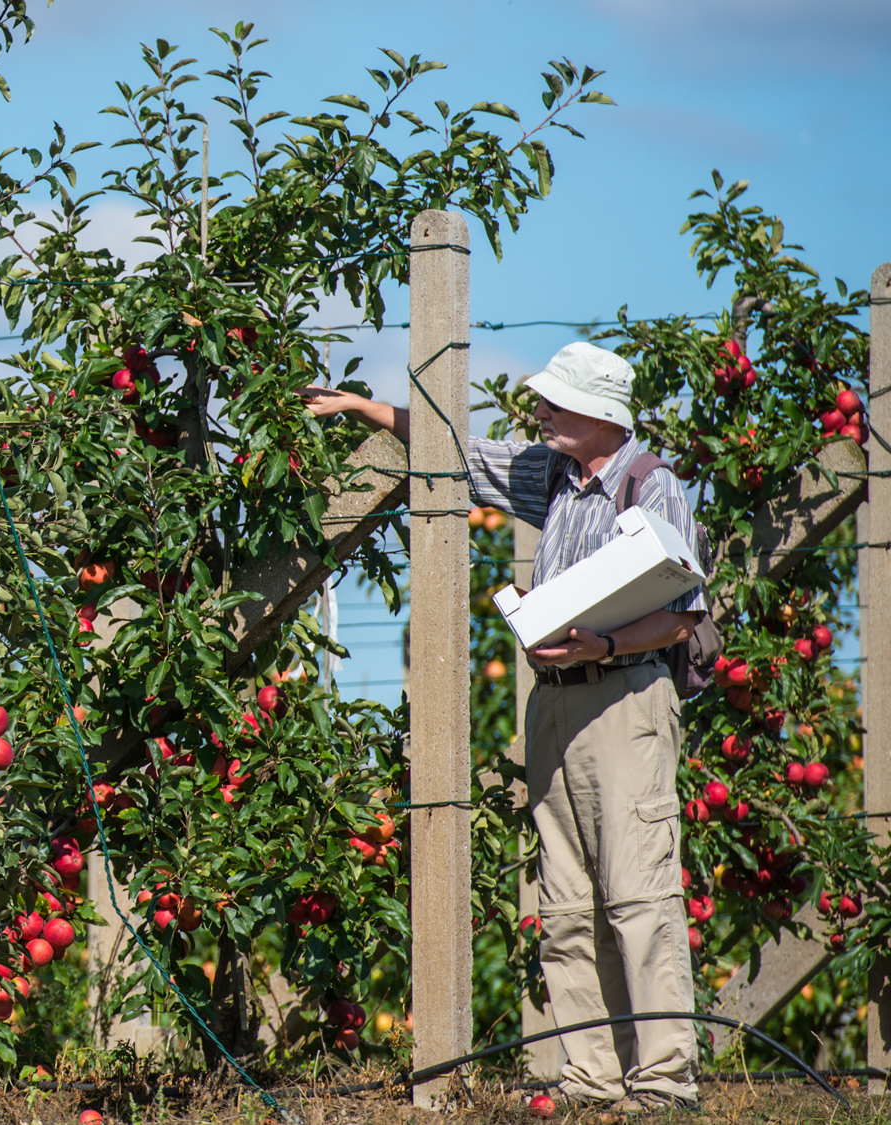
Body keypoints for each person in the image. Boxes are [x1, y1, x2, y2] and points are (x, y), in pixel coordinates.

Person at [299, 342, 706, 1112]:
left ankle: (661, 1081)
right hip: (553, 698)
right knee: (565, 898)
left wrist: (607, 642)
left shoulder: (651, 486)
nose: (541, 412)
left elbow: (683, 614)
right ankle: (591, 1079)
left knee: (637, 889)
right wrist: (361, 406)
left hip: (622, 698)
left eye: (556, 403)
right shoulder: (552, 476)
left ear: (603, 415)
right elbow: (458, 452)